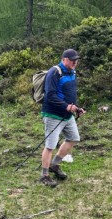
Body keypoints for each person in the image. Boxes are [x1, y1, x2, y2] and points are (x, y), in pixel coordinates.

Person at [40, 49, 85, 187]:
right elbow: (50, 95)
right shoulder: (54, 72)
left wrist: (76, 107)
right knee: (50, 146)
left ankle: (55, 165)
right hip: (53, 114)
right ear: (64, 59)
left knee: (73, 138)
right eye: (72, 60)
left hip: (67, 115)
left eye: (76, 60)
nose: (75, 62)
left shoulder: (72, 72)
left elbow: (69, 94)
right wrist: (66, 107)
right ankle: (44, 175)